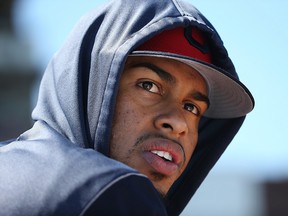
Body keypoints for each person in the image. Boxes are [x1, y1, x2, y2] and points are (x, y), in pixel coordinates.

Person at [0, 0, 254, 215]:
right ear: (91, 81)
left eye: (191, 107)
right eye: (148, 85)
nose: (178, 123)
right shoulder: (113, 192)